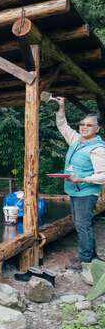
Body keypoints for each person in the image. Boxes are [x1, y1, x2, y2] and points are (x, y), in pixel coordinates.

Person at [56, 97, 105, 270]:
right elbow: (62, 126)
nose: (84, 127)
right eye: (82, 124)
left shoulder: (98, 149)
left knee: (83, 224)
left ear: (97, 129)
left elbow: (103, 176)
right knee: (80, 223)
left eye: (89, 125)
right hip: (75, 190)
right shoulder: (76, 140)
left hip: (86, 191)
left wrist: (82, 179)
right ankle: (91, 256)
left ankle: (85, 259)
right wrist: (61, 107)